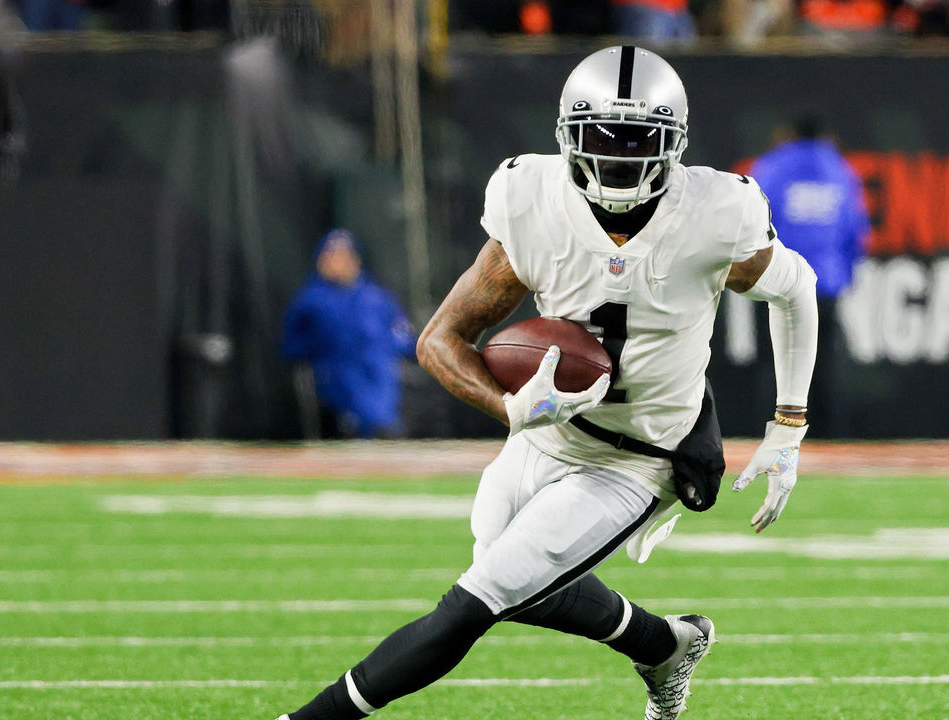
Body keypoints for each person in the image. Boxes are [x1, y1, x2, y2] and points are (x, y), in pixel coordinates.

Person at [275, 46, 819, 720]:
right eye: (602, 139)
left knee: (473, 601)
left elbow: (797, 289)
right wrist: (511, 406)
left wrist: (788, 425)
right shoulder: (530, 200)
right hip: (550, 432)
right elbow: (439, 340)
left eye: (638, 141)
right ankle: (666, 645)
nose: (619, 157)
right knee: (516, 580)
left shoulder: (715, 211)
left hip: (641, 456)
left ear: (673, 145)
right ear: (567, 137)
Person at [748, 114, 869, 437]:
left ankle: (771, 439)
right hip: (824, 286)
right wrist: (844, 274)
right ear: (826, 134)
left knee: (774, 367)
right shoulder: (841, 172)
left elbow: (748, 225)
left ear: (787, 133)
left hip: (774, 283)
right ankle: (829, 445)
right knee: (824, 367)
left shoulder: (770, 168)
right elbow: (856, 232)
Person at [281, 229, 416, 438]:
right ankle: (377, 426)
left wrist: (400, 348)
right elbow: (292, 344)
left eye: (344, 257)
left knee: (383, 375)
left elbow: (402, 335)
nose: (338, 263)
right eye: (332, 257)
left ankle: (383, 425)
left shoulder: (377, 296)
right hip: (334, 368)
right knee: (351, 386)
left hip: (378, 366)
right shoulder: (310, 300)